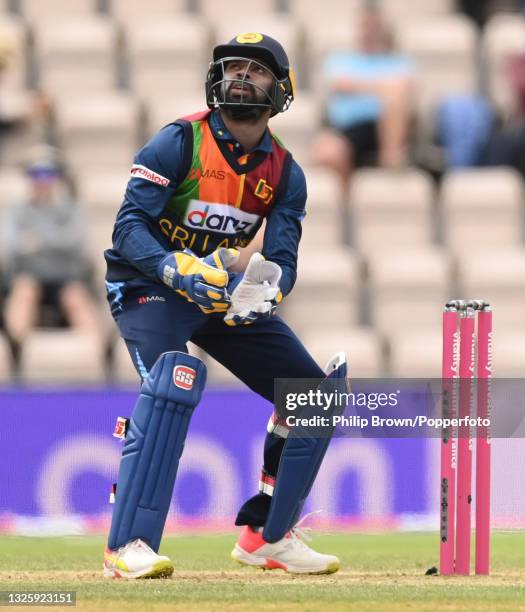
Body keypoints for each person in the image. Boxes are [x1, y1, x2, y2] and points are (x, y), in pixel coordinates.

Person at [102, 33, 347, 579]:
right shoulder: (178, 142)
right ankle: (127, 546)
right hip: (149, 286)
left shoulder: (284, 172)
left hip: (217, 293)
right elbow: (127, 229)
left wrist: (264, 290)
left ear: (282, 89)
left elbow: (282, 260)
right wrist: (171, 265)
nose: (240, 76)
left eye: (256, 70)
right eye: (232, 67)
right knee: (171, 386)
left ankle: (266, 535)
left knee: (311, 397)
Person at [2, 149, 102, 353]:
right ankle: (15, 358)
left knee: (76, 297)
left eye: (48, 174)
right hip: (29, 277)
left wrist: (36, 241)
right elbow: (12, 247)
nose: (42, 180)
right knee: (24, 291)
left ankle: (98, 357)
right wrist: (56, 241)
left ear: (57, 178)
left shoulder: (73, 210)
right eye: (36, 174)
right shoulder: (16, 212)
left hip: (66, 278)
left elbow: (77, 245)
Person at [312, 6, 414, 194]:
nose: (368, 32)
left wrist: (359, 86)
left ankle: (390, 166)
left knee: (395, 101)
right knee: (327, 152)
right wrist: (382, 87)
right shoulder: (340, 60)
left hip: (386, 127)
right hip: (349, 129)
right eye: (365, 27)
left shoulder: (399, 62)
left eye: (373, 27)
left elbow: (402, 91)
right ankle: (348, 204)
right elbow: (340, 84)